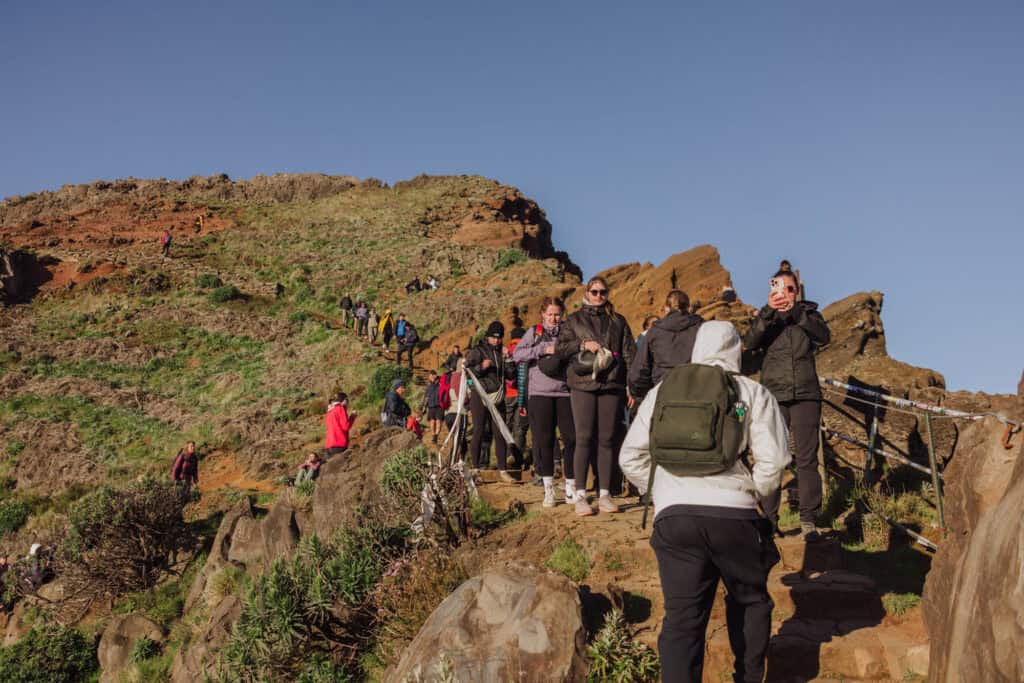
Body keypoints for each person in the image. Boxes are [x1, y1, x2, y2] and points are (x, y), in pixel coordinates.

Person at [620, 321, 790, 683]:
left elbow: (629, 458)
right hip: (735, 518)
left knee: (682, 620)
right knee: (750, 601)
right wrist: (752, 493)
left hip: (674, 519)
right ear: (736, 350)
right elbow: (774, 461)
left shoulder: (663, 391)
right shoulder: (751, 391)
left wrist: (661, 493)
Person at [743, 268, 830, 540]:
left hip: (806, 394)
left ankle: (808, 521)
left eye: (790, 289)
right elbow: (749, 342)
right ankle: (768, 521)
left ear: (798, 290)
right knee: (771, 458)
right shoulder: (765, 316)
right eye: (781, 288)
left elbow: (824, 337)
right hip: (774, 396)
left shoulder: (810, 314)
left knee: (807, 460)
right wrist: (769, 312)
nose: (785, 294)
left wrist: (797, 313)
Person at [555, 276, 636, 515]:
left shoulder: (618, 321)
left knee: (608, 439)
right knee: (583, 438)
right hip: (582, 383)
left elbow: (631, 353)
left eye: (602, 292)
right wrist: (581, 346)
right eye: (594, 291)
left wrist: (631, 386)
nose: (599, 296)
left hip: (612, 384)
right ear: (587, 292)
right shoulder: (574, 319)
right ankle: (581, 495)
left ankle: (605, 494)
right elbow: (560, 349)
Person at [513, 297, 576, 507]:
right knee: (544, 441)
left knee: (572, 439)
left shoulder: (569, 332)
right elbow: (517, 354)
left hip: (566, 393)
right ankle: (548, 489)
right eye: (550, 314)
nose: (554, 318)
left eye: (557, 314)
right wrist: (543, 349)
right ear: (543, 314)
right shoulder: (534, 332)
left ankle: (570, 486)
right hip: (539, 393)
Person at [464, 321, 516, 481]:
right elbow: (466, 372)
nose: (496, 340)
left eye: (499, 338)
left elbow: (511, 375)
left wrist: (508, 359)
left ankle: (503, 471)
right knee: (479, 430)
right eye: (493, 337)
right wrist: (481, 367)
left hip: (497, 397)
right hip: (479, 395)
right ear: (487, 336)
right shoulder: (477, 351)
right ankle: (475, 469)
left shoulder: (502, 352)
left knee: (499, 432)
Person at [628, 290, 703, 401]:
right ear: (688, 308)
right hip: (696, 392)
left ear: (666, 308)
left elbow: (640, 370)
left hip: (662, 392)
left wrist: (642, 394)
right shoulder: (701, 327)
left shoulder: (655, 331)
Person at [503, 328, 529, 468]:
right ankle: (517, 459)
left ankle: (508, 455)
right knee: (519, 429)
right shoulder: (527, 350)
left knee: (506, 426)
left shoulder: (507, 351)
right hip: (522, 394)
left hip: (507, 394)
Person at [443, 359, 470, 460]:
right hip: (459, 413)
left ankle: (457, 463)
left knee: (457, 439)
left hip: (448, 414)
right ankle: (452, 463)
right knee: (459, 441)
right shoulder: (462, 378)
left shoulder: (449, 377)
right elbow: (464, 397)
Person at [324, 392, 356, 458]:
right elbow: (346, 427)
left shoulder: (330, 411)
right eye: (347, 400)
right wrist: (352, 416)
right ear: (345, 400)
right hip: (339, 443)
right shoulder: (340, 408)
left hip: (329, 444)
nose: (348, 403)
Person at [421, 370, 445, 444]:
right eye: (429, 376)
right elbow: (426, 397)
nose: (430, 377)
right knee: (432, 421)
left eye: (431, 376)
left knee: (438, 421)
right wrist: (424, 406)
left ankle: (436, 436)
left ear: (435, 375)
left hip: (439, 406)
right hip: (431, 406)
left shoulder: (441, 383)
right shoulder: (429, 386)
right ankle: (433, 435)